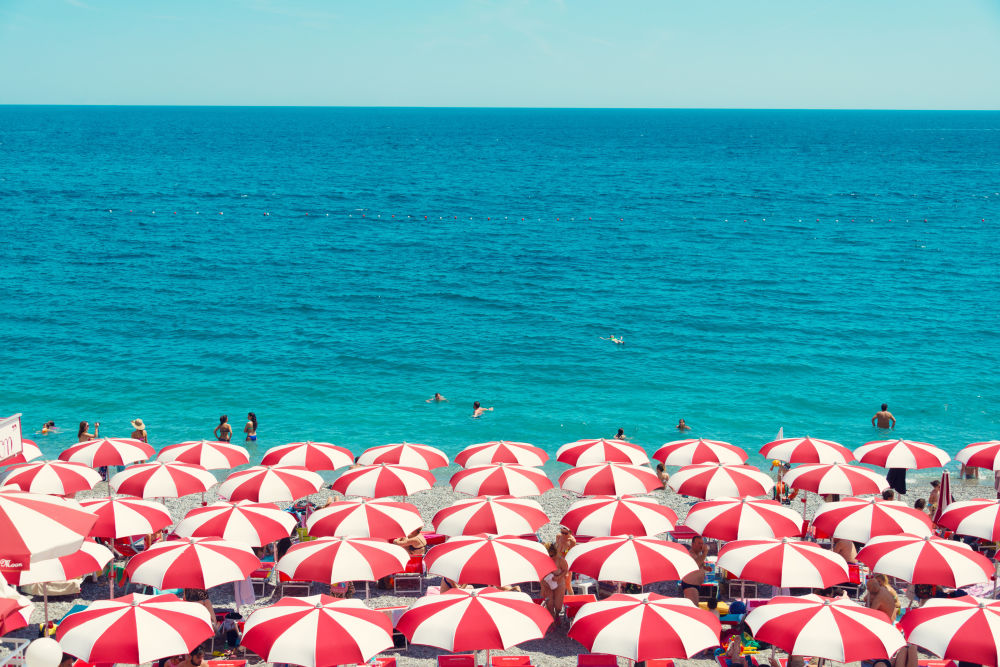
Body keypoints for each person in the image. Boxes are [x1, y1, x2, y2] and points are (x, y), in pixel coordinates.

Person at [541, 542, 568, 620]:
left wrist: (559, 577)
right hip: (546, 584)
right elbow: (540, 574)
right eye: (548, 555)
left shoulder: (560, 560)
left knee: (558, 606)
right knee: (550, 604)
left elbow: (565, 570)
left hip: (559, 584)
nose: (550, 557)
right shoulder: (542, 560)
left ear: (555, 553)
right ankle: (552, 621)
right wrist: (542, 587)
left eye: (551, 555)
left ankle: (557, 615)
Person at [681, 536, 708, 604]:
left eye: (702, 543)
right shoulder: (690, 554)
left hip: (696, 584)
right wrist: (705, 553)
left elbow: (699, 565)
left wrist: (705, 568)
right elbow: (695, 565)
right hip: (690, 584)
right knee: (694, 606)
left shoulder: (699, 554)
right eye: (699, 543)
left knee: (695, 605)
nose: (701, 545)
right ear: (692, 544)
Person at [555, 526, 576, 591]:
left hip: (566, 563)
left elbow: (570, 553)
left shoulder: (572, 541)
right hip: (557, 562)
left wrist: (564, 552)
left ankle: (572, 599)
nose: (563, 535)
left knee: (567, 584)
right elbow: (556, 548)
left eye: (565, 533)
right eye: (562, 532)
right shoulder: (558, 536)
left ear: (570, 532)